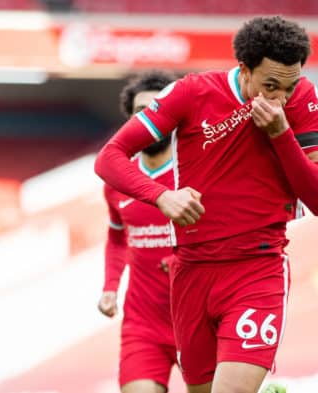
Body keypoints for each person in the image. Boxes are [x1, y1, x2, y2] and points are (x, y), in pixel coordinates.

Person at [94, 16, 318, 393]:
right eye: (269, 85)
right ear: (244, 70)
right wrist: (162, 196)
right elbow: (110, 157)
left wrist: (281, 133)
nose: (279, 98)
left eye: (288, 87)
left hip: (257, 268)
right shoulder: (192, 93)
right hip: (192, 273)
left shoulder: (302, 99)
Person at [97, 70, 178, 393]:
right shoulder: (118, 179)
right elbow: (118, 237)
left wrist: (184, 259)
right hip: (143, 325)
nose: (151, 119)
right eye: (141, 112)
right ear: (130, 121)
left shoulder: (197, 173)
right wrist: (110, 286)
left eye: (159, 110)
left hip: (199, 320)